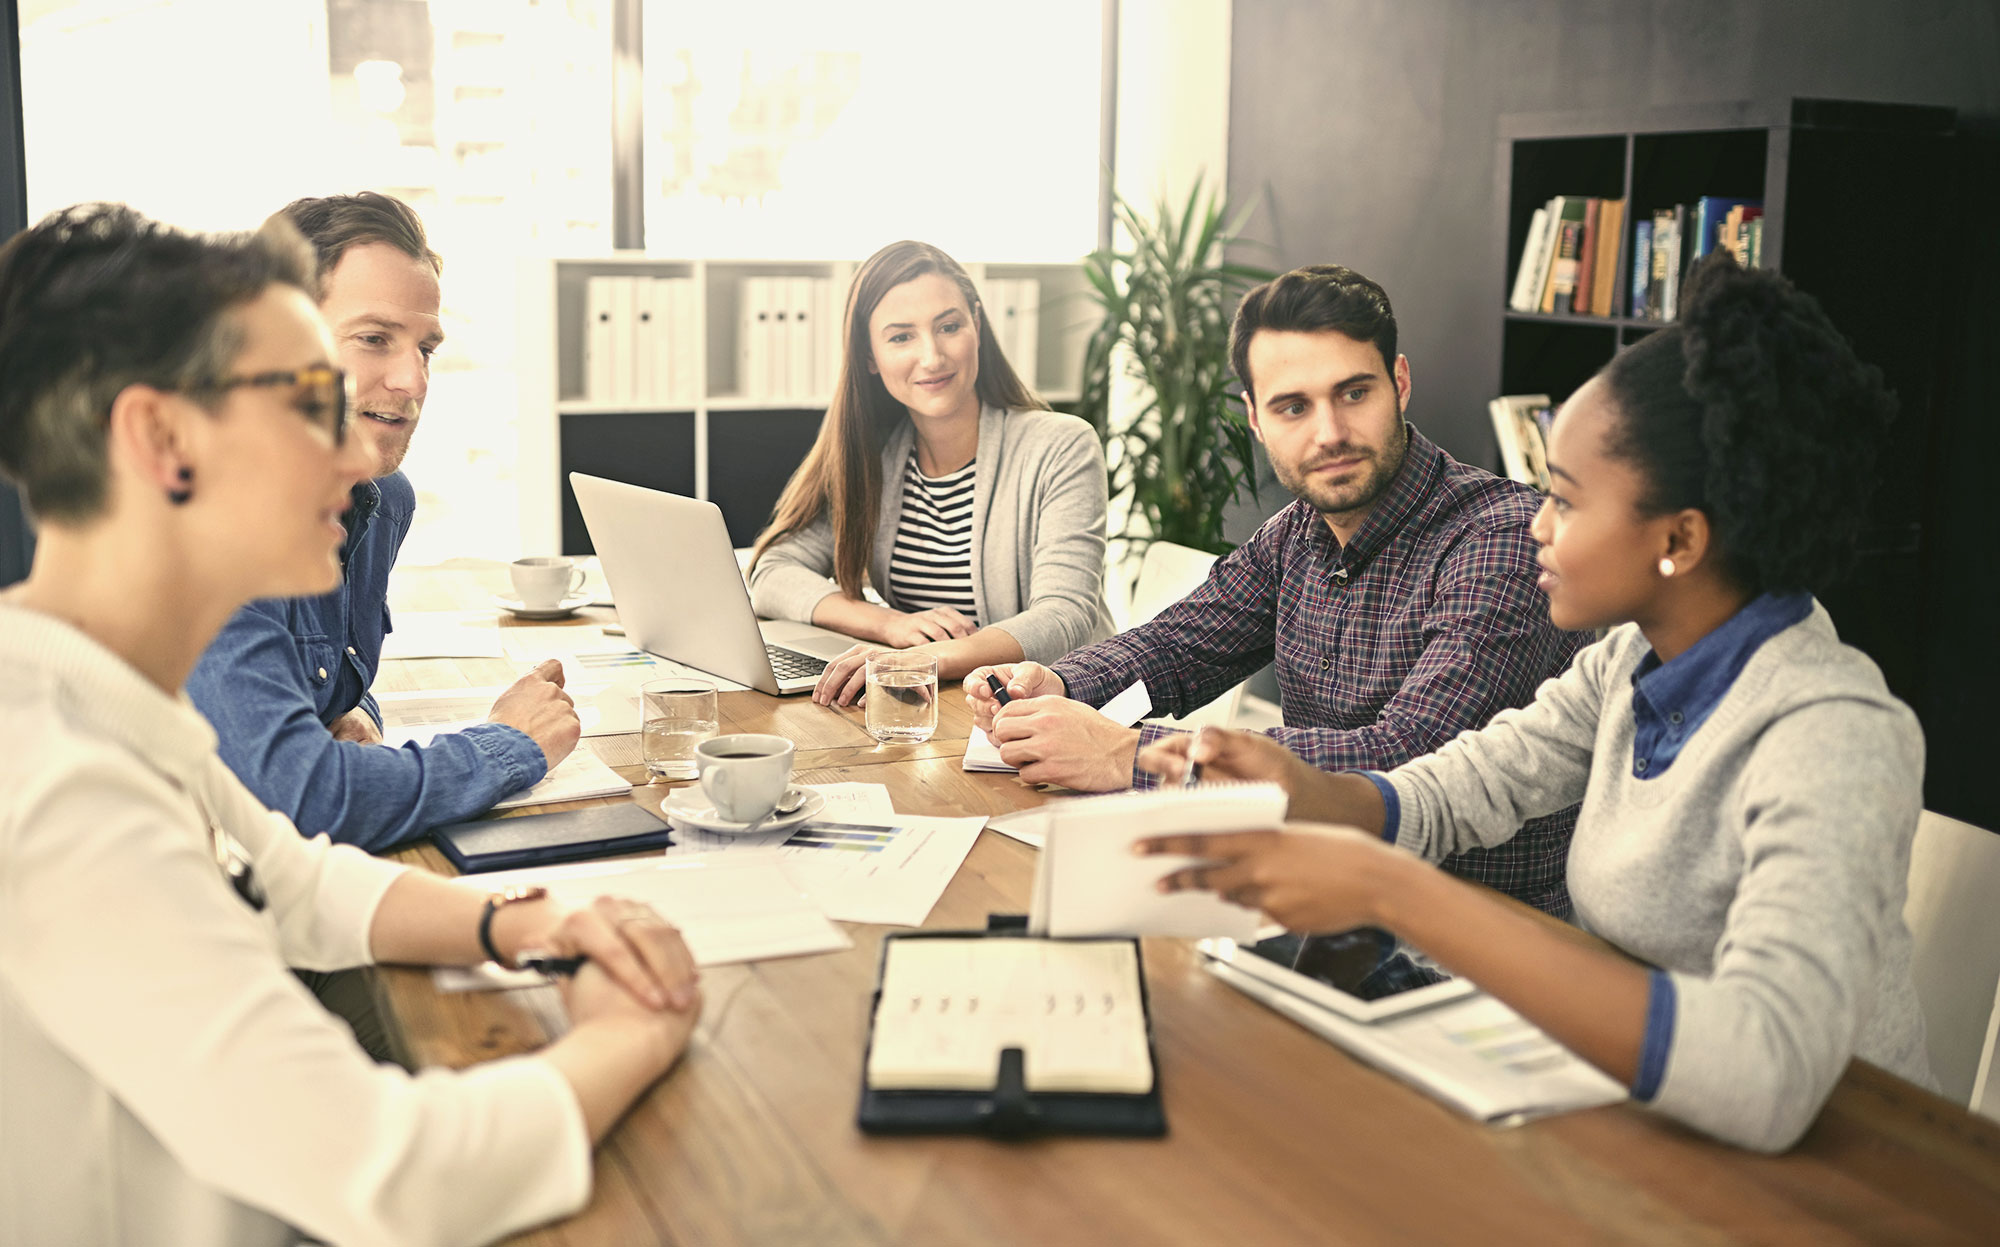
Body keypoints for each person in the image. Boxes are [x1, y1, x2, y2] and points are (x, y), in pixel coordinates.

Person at [0, 204, 701, 1245]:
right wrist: (630, 1034)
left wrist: (522, 924)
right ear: (160, 439)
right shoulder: (52, 785)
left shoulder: (97, 697)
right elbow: (398, 1176)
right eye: (307, 404)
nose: (353, 451)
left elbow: (285, 874)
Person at [1136, 255, 1929, 1153]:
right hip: (1649, 1122)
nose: (1538, 525)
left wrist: (1387, 889)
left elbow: (1769, 1073)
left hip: (1847, 1171)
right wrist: (1292, 783)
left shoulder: (1832, 733)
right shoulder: (1632, 660)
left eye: (1565, 499)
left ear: (1680, 537)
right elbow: (1461, 785)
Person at [968, 265, 1589, 916]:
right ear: (1257, 419)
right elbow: (1179, 646)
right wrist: (1060, 685)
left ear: (1400, 384)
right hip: (1321, 894)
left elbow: (1412, 756)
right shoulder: (1297, 531)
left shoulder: (1503, 540)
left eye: (1354, 393)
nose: (1329, 433)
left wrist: (1130, 754)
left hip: (1463, 936)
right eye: (1293, 406)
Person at [186, 192, 578, 853]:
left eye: (425, 346)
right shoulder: (214, 527)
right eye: (374, 339)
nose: (414, 378)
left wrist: (354, 716)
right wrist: (509, 743)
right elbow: (306, 799)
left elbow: (329, 685)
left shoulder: (378, 498)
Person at [747, 240, 1114, 702]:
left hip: (1061, 708)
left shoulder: (1060, 445)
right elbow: (773, 572)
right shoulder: (876, 458)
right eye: (901, 337)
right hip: (943, 709)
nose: (933, 356)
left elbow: (1065, 613)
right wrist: (890, 625)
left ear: (976, 326)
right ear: (869, 358)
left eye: (949, 326)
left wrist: (924, 660)